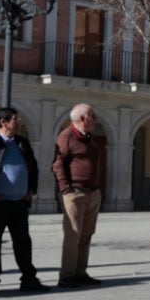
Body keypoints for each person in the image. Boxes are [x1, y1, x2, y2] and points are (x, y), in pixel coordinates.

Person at [0, 107, 48, 295]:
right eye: (15, 118)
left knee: (23, 242)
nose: (19, 121)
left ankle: (28, 278)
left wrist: (31, 190)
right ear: (3, 122)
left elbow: (33, 168)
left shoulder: (22, 143)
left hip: (19, 203)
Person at [52, 103, 106, 287]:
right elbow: (58, 164)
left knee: (86, 234)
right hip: (75, 193)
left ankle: (80, 272)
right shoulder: (66, 137)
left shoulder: (88, 137)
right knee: (73, 235)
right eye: (93, 115)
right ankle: (67, 276)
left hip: (92, 192)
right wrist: (66, 189)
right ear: (83, 119)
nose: (95, 119)